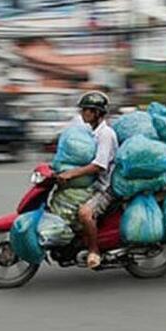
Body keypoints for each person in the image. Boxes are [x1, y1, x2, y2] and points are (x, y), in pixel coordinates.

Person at [57, 92, 118, 269]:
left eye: (87, 110)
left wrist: (71, 174)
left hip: (104, 188)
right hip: (91, 184)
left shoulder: (105, 134)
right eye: (83, 110)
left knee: (84, 213)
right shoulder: (89, 132)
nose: (83, 114)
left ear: (97, 113)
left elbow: (99, 165)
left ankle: (94, 251)